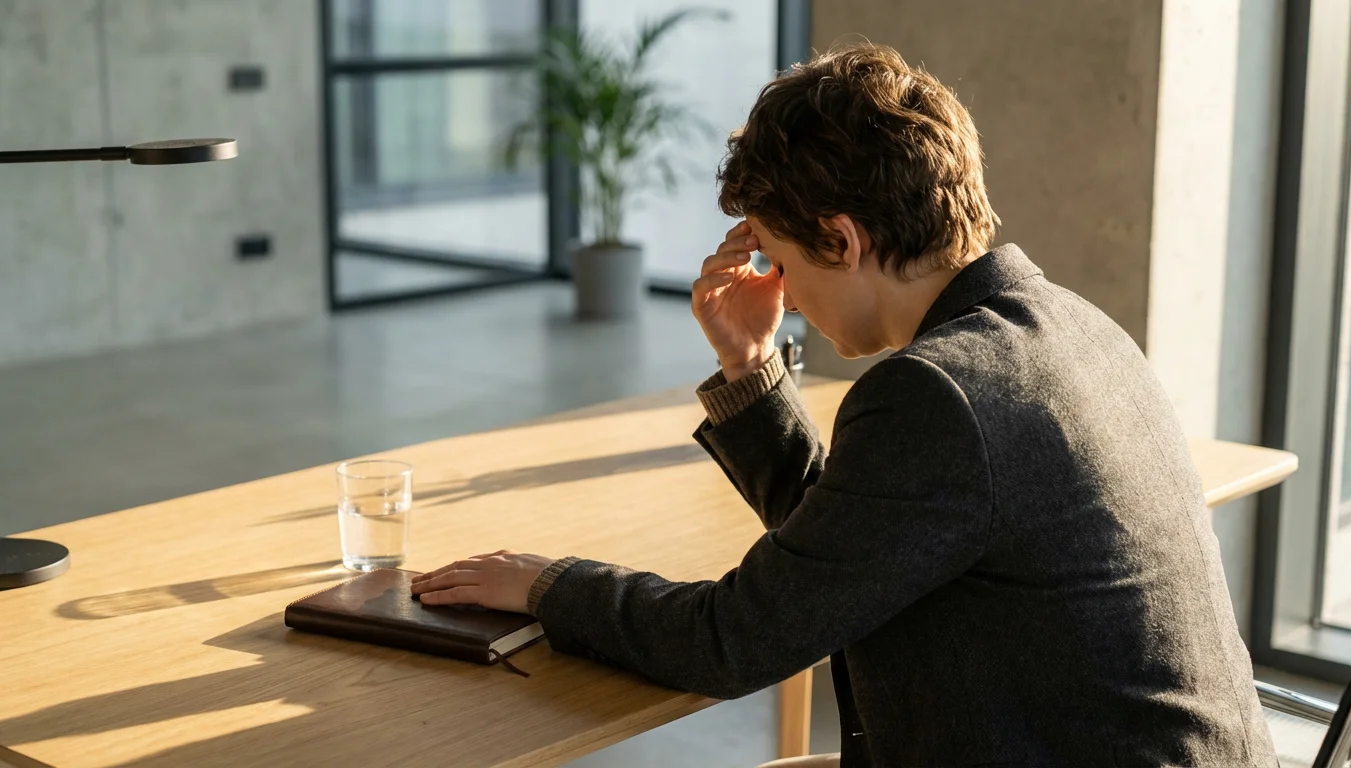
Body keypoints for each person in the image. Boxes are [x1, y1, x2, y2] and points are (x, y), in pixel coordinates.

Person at [411, 43, 1278, 768]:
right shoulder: (1068, 326)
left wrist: (546, 585)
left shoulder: (938, 392)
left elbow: (732, 640)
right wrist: (750, 368)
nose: (777, 287)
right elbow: (851, 566)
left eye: (781, 260)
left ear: (843, 239)